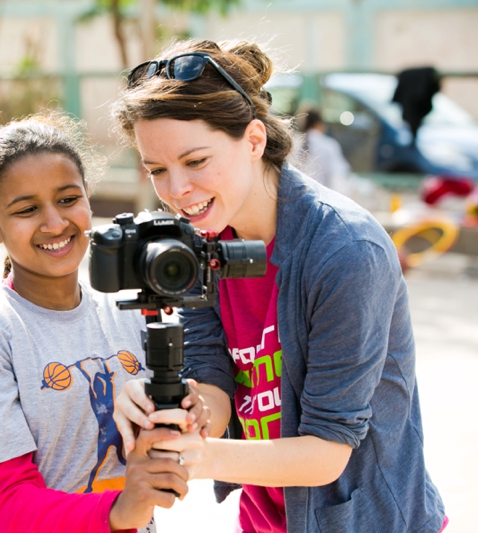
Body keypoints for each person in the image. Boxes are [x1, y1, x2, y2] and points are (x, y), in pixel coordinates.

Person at [109, 39, 447, 532]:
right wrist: (172, 409)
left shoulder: (345, 251)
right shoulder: (200, 243)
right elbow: (213, 380)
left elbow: (327, 452)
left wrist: (195, 457)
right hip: (269, 518)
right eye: (157, 170)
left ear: (253, 140)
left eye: (196, 161)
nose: (176, 190)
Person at [0, 110, 198, 533]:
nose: (55, 222)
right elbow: (11, 505)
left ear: (88, 197)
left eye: (68, 199)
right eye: (26, 209)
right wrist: (120, 510)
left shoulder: (127, 316)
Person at [297, 108, 352, 196]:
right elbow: (337, 179)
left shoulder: (294, 144)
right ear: (319, 124)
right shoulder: (328, 145)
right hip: (321, 199)